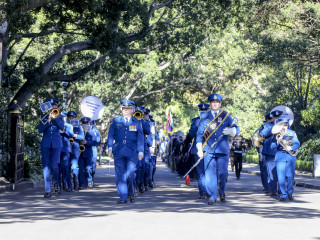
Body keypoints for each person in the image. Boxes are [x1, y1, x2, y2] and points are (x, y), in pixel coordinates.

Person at [196, 93, 239, 205]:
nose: (215, 104)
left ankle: (222, 192)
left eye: (217, 102)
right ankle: (212, 196)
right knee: (210, 175)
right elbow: (200, 134)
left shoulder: (225, 115)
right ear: (210, 104)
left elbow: (236, 128)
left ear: (220, 104)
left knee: (223, 174)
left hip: (222, 149)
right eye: (213, 102)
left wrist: (232, 131)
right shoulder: (205, 117)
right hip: (209, 150)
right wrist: (199, 148)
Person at [107, 100, 144, 204]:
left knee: (130, 174)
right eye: (124, 109)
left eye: (128, 109)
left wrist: (141, 151)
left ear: (132, 110)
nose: (126, 110)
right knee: (120, 175)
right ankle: (123, 197)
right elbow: (110, 135)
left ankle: (131, 192)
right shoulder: (116, 120)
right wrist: (110, 147)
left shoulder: (137, 121)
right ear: (122, 109)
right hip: (119, 151)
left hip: (132, 152)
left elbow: (140, 138)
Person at [38, 98, 65, 198]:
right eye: (51, 105)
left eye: (55, 105)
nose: (53, 107)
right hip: (46, 144)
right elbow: (40, 130)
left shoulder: (60, 116)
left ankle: (56, 183)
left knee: (54, 166)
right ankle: (47, 190)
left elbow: (62, 127)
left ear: (56, 107)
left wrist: (56, 118)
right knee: (46, 167)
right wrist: (48, 120)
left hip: (57, 144)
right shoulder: (43, 116)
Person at [271, 118, 300, 201]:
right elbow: (272, 147)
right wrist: (277, 141)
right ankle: (283, 195)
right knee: (280, 177)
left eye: (286, 124)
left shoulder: (292, 133)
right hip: (280, 157)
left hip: (290, 157)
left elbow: (297, 143)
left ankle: (290, 192)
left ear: (288, 125)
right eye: (283, 124)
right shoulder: (275, 135)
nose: (284, 126)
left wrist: (290, 147)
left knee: (290, 176)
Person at [186, 103, 210, 199]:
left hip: (198, 148)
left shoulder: (196, 121)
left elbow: (191, 134)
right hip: (209, 148)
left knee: (200, 172)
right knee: (209, 171)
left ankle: (203, 192)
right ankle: (208, 191)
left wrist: (186, 141)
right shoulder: (212, 120)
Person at [260, 110, 283, 197]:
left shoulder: (285, 126)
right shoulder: (267, 125)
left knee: (281, 172)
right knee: (271, 173)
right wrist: (274, 128)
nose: (277, 119)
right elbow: (263, 134)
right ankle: (273, 190)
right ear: (272, 118)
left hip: (281, 151)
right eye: (276, 117)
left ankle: (281, 189)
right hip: (270, 153)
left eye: (279, 117)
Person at [67, 111, 85, 191]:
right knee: (66, 166)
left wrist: (75, 135)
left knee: (74, 166)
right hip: (66, 147)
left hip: (75, 147)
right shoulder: (65, 125)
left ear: (75, 118)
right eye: (70, 117)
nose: (71, 119)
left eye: (73, 117)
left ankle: (75, 182)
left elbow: (82, 137)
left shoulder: (78, 127)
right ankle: (68, 185)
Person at [78, 116, 97, 190]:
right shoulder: (79, 130)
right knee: (81, 169)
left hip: (88, 153)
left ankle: (89, 180)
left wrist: (87, 142)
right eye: (83, 123)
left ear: (89, 123)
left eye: (86, 123)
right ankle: (81, 184)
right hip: (80, 153)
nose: (85, 124)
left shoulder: (92, 132)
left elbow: (95, 142)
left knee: (89, 168)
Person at [59, 111, 74, 192]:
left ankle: (69, 185)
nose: (61, 118)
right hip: (57, 148)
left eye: (63, 117)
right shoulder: (56, 125)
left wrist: (64, 129)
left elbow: (71, 134)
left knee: (65, 167)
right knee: (58, 167)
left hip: (65, 149)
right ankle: (59, 185)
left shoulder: (69, 125)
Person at [90, 120, 101, 185]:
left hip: (93, 147)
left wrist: (93, 138)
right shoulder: (82, 128)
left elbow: (98, 139)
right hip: (85, 148)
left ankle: (92, 176)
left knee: (93, 163)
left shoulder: (95, 130)